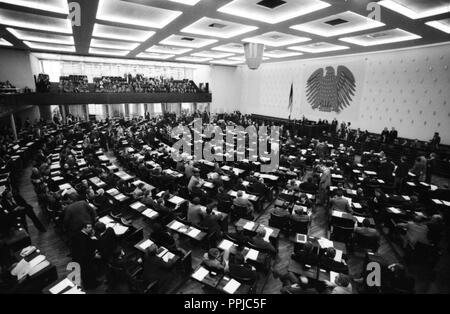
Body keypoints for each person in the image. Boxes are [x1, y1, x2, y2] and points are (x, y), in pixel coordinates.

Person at [71, 222, 99, 289]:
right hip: (85, 260)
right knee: (89, 272)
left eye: (91, 227)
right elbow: (86, 251)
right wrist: (94, 255)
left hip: (79, 258)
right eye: (89, 227)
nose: (91, 229)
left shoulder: (80, 233)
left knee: (85, 273)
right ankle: (92, 285)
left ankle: (87, 284)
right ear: (84, 228)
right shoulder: (84, 238)